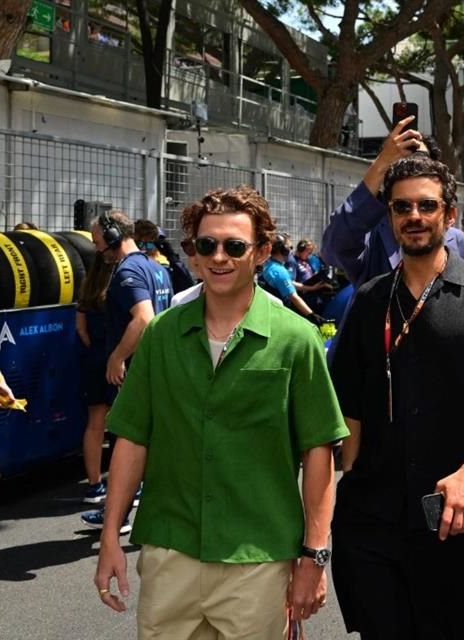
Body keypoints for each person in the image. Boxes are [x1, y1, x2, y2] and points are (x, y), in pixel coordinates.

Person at [92, 186, 348, 639]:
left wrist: (315, 555)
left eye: (234, 246)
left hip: (259, 558)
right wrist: (110, 534)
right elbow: (133, 438)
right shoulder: (161, 335)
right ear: (193, 253)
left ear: (262, 252)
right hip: (170, 552)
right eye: (207, 244)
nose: (219, 257)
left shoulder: (296, 339)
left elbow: (318, 452)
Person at [329, 154, 464, 639]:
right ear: (390, 217)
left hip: (454, 513)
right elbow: (348, 407)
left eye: (426, 205)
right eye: (402, 207)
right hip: (374, 519)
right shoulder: (369, 300)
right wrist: (344, 493)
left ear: (449, 214)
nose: (414, 216)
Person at [81, 210, 172, 532]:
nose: (97, 248)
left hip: (137, 370)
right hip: (156, 367)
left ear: (113, 236)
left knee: (127, 443)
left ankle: (117, 515)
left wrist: (117, 357)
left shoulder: (127, 271)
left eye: (98, 241)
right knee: (146, 442)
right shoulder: (156, 268)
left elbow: (144, 318)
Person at [321, 117, 464, 290]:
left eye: (428, 205)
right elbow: (333, 249)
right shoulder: (370, 237)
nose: (410, 169)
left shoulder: (460, 242)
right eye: (402, 206)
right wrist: (380, 163)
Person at [75, 254, 116, 504]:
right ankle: (123, 484)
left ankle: (93, 484)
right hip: (118, 358)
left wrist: (94, 347)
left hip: (94, 359)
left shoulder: (87, 291)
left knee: (94, 423)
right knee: (122, 425)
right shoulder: (120, 288)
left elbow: (81, 328)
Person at [261, 234, 328, 323]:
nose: (292, 251)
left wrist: (312, 288)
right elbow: (294, 297)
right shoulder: (279, 271)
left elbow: (288, 283)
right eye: (290, 247)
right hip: (280, 315)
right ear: (284, 250)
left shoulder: (269, 264)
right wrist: (313, 315)